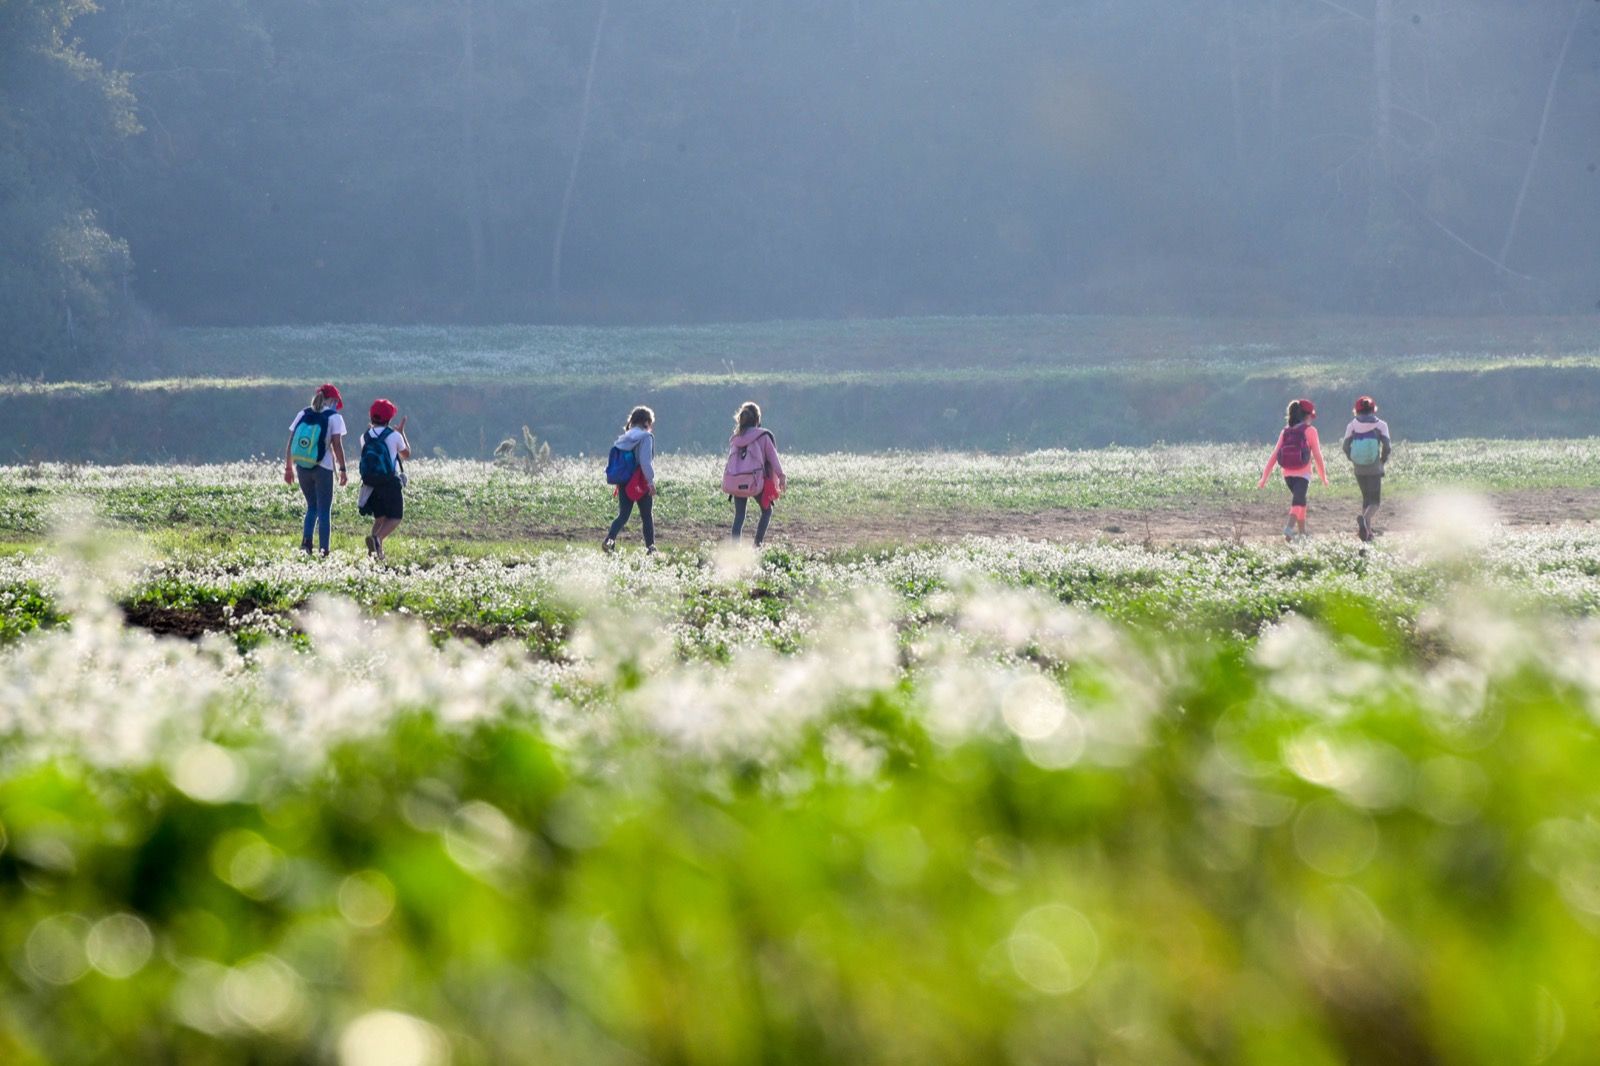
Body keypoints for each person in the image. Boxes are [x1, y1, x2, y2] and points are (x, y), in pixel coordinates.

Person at [284, 384, 347, 556]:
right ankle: (324, 549)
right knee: (324, 510)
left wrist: (288, 467)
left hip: (302, 466)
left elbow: (292, 442)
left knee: (311, 506)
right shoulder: (334, 417)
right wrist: (343, 469)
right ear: (333, 400)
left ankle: (306, 543)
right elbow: (337, 445)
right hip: (323, 468)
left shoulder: (303, 413)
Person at [1258, 398, 1328, 541]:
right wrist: (1323, 477)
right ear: (1306, 416)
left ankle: (1302, 533)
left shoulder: (1285, 432)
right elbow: (1317, 456)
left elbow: (1274, 455)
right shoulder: (1310, 431)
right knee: (1298, 502)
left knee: (1300, 501)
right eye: (1310, 417)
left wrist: (1264, 478)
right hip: (1303, 475)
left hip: (1287, 475)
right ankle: (1289, 529)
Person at [724, 401, 786, 547]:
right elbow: (772, 457)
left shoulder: (736, 438)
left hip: (737, 481)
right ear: (757, 419)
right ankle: (757, 545)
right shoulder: (763, 436)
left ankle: (734, 550)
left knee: (739, 516)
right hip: (756, 481)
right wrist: (781, 475)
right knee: (767, 511)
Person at [357, 398, 410, 561]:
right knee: (395, 517)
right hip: (389, 482)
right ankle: (377, 540)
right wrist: (402, 433)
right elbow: (405, 454)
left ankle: (375, 554)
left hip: (370, 484)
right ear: (389, 418)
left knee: (380, 519)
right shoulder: (394, 436)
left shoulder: (364, 437)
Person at [603, 406, 657, 554]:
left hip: (624, 480)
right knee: (646, 516)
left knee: (623, 515)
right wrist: (651, 482)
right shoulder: (645, 437)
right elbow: (645, 462)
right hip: (639, 481)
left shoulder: (624, 438)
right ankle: (651, 549)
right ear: (646, 422)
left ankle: (609, 541)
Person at [1342, 395, 1392, 542]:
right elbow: (1387, 447)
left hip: (1359, 469)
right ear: (1373, 409)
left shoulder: (1351, 425)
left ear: (1356, 410)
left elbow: (1345, 447)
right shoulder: (1381, 425)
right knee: (1375, 502)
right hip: (1374, 467)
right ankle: (1364, 521)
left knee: (1366, 499)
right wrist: (1382, 461)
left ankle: (1367, 533)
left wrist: (1354, 459)